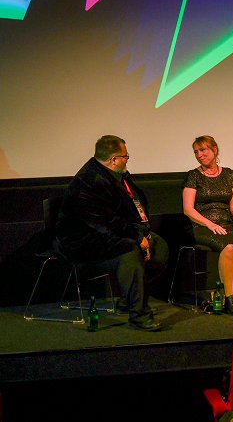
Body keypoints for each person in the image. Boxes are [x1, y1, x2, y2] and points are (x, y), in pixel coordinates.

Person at [55, 135, 166, 331]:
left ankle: (128, 300)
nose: (127, 159)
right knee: (129, 251)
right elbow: (104, 222)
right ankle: (138, 315)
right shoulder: (89, 182)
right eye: (125, 156)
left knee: (159, 247)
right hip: (82, 240)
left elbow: (129, 208)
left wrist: (142, 232)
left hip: (108, 232)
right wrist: (137, 237)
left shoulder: (116, 174)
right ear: (114, 159)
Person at [182, 135, 233, 316]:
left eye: (203, 150)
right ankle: (229, 298)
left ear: (214, 150)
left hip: (226, 224)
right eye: (196, 152)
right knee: (228, 248)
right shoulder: (193, 176)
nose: (199, 155)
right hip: (201, 226)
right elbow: (188, 210)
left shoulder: (228, 174)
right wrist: (210, 224)